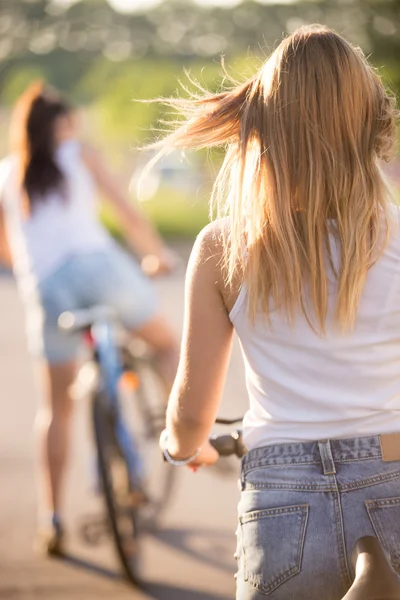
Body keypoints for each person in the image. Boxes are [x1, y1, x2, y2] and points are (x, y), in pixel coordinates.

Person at [156, 25, 400, 600]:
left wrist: (180, 447)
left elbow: (192, 416)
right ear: (371, 127)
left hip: (281, 501)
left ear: (263, 126)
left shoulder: (225, 248)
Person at [0, 82, 179, 555]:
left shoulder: (6, 174)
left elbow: (6, 247)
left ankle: (52, 519)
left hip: (46, 289)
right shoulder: (79, 153)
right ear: (65, 124)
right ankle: (179, 429)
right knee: (164, 343)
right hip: (100, 269)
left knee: (56, 409)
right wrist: (157, 255)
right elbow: (127, 214)